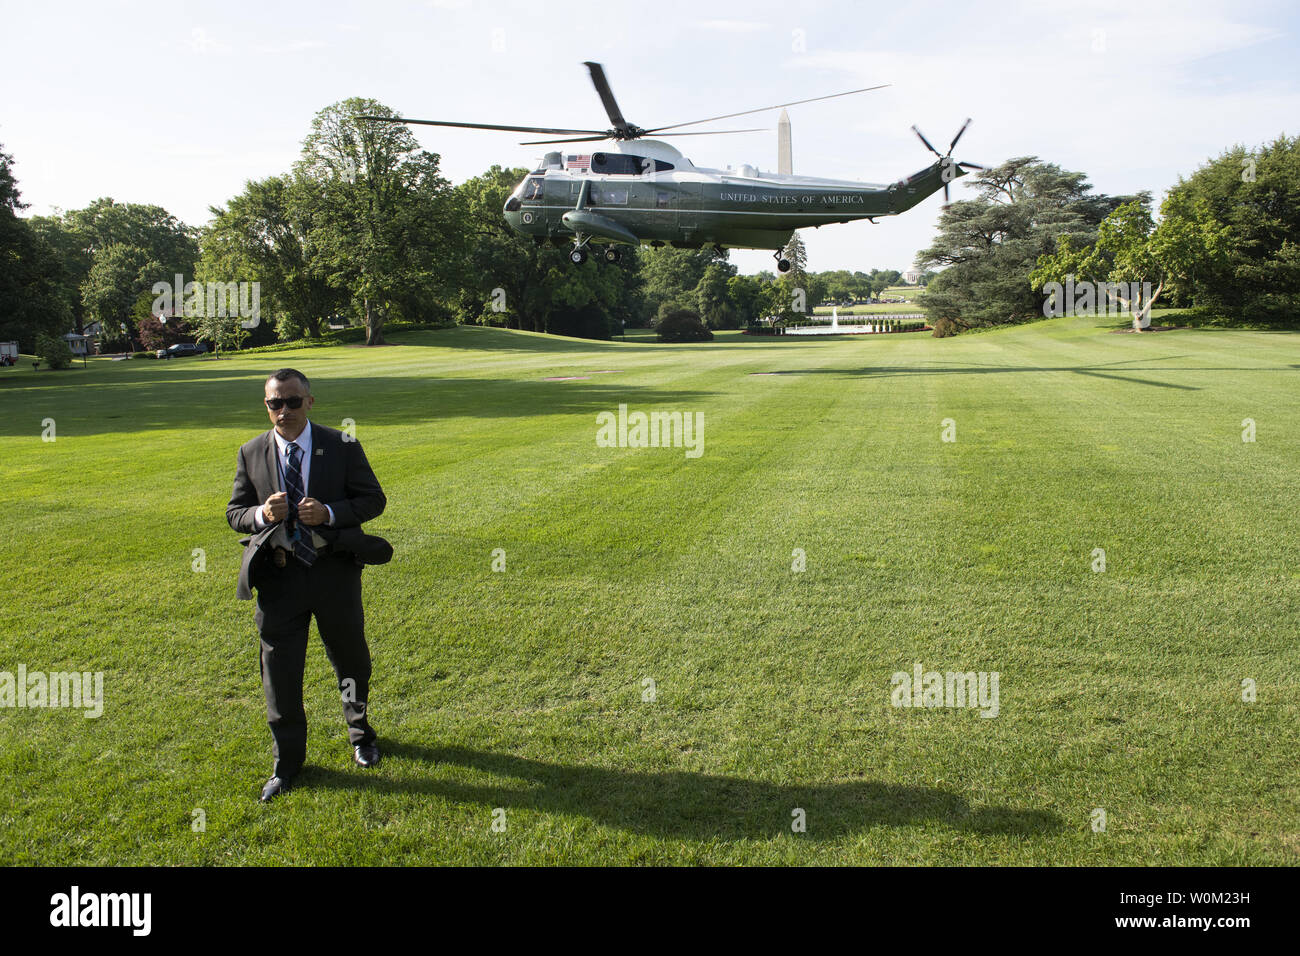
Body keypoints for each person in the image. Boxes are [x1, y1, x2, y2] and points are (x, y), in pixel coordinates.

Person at [227, 368, 388, 802]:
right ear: (266, 406)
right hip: (279, 581)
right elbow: (234, 513)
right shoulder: (251, 452)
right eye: (274, 404)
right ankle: (288, 763)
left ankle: (361, 736)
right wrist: (262, 515)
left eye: (293, 402)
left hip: (333, 574)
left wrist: (330, 513)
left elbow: (373, 499)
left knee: (351, 660)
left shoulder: (342, 445)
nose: (283, 412)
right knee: (280, 674)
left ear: (310, 402)